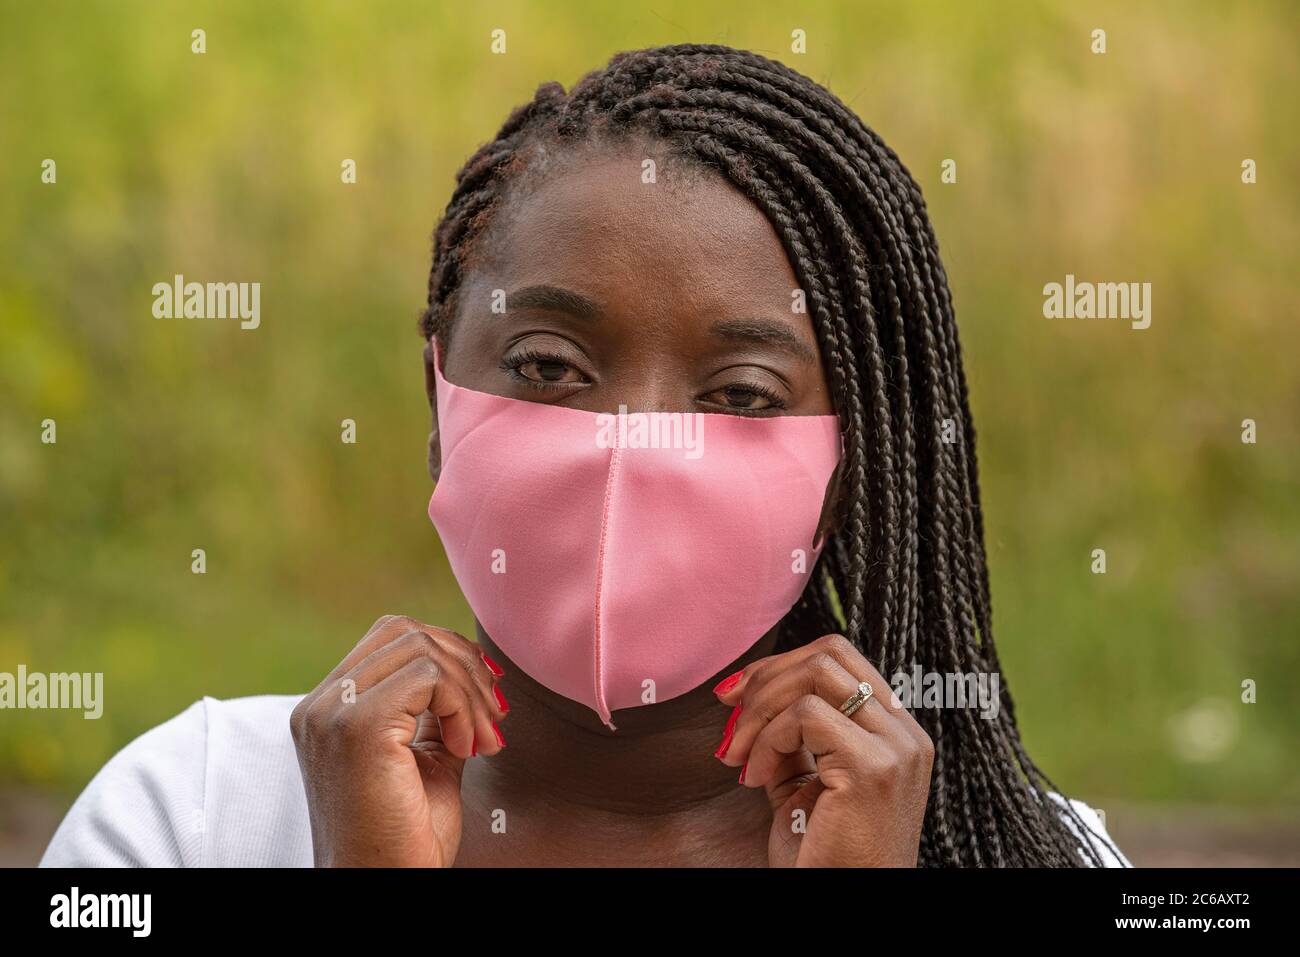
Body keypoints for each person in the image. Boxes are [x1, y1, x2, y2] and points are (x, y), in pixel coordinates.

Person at [41, 44, 1128, 868]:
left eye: (741, 393)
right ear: (438, 397)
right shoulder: (194, 812)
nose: (630, 445)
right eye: (552, 366)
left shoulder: (1023, 850)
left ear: (849, 465)